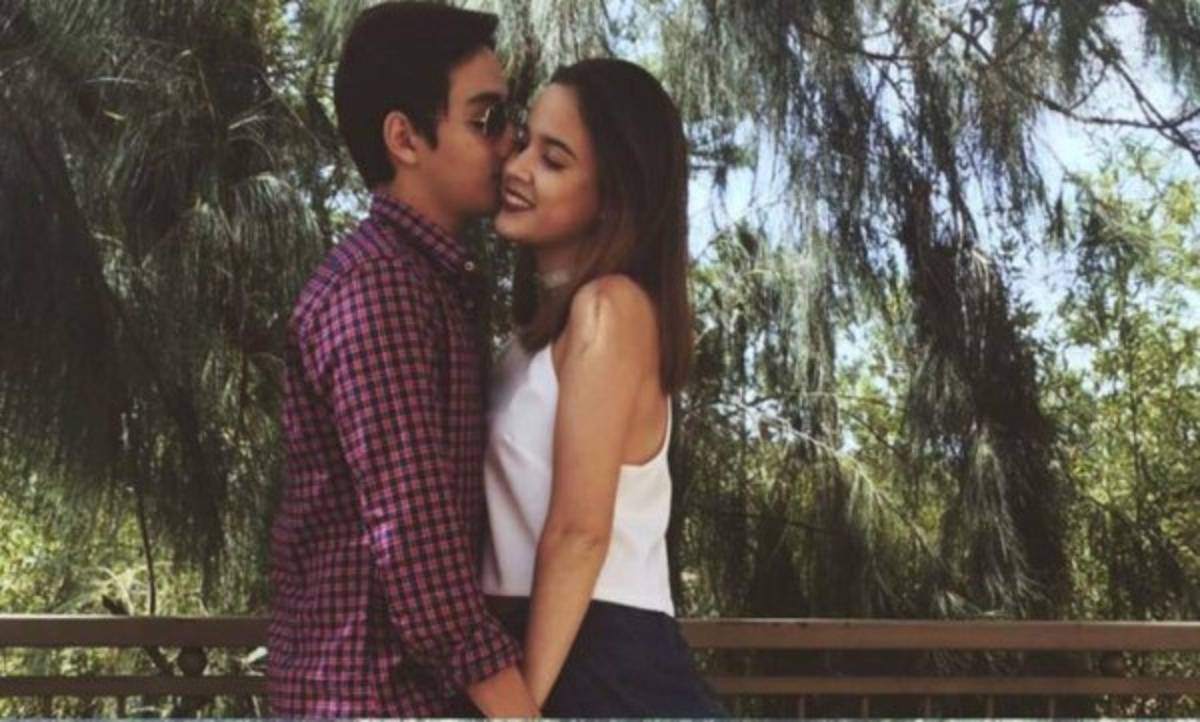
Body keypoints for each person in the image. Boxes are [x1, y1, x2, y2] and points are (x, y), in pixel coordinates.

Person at [267, 3, 539, 717]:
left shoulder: (426, 283)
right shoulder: (382, 286)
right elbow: (417, 546)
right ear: (405, 138)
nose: (512, 142)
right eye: (487, 119)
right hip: (371, 700)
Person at [480, 58, 726, 717]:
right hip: (543, 646)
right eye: (523, 141)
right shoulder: (529, 339)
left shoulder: (610, 309)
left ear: (613, 197)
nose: (516, 168)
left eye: (553, 160)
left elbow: (579, 532)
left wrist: (519, 709)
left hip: (601, 660)